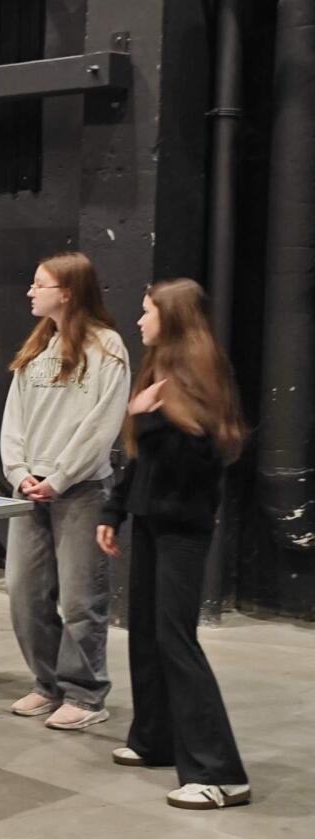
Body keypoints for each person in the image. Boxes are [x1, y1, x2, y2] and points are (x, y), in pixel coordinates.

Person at [96, 278, 250, 810]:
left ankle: (220, 774)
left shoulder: (201, 376)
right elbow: (143, 460)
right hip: (149, 519)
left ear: (173, 317)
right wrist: (115, 510)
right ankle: (155, 738)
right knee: (145, 633)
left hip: (182, 527)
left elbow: (197, 461)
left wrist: (144, 418)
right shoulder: (157, 370)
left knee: (176, 640)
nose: (139, 320)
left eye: (147, 312)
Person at [0, 251, 129, 730]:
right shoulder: (38, 346)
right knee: (23, 591)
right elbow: (14, 418)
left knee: (80, 600)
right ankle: (48, 683)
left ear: (68, 292)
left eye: (40, 284)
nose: (31, 291)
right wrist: (19, 472)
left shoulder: (107, 348)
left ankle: (86, 695)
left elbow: (102, 425)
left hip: (81, 490)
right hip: (28, 489)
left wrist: (59, 477)